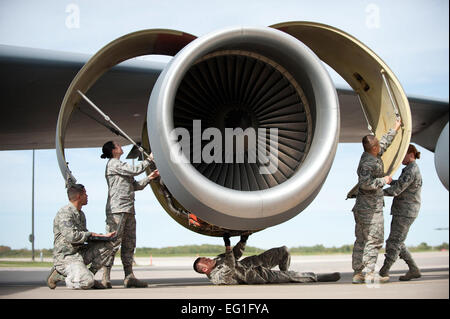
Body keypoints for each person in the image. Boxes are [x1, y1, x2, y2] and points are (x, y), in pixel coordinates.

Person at [100, 141, 160, 288]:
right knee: (113, 243)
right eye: (118, 145)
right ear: (113, 151)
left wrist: (150, 178)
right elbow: (135, 170)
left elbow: (135, 186)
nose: (121, 147)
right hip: (117, 209)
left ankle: (129, 276)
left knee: (129, 243)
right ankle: (105, 277)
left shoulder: (121, 167)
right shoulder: (113, 164)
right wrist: (150, 159)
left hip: (128, 209)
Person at [351, 118, 402, 284]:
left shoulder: (372, 154)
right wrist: (384, 181)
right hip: (370, 210)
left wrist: (395, 127)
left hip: (363, 209)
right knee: (375, 239)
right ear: (373, 148)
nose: (380, 146)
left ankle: (358, 274)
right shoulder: (367, 163)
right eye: (378, 145)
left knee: (361, 240)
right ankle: (370, 273)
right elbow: (365, 184)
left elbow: (384, 143)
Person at [193, 234, 340, 285]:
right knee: (288, 276)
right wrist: (227, 247)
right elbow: (230, 266)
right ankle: (315, 277)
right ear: (205, 269)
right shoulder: (216, 278)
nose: (207, 258)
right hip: (254, 275)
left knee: (283, 251)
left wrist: (243, 240)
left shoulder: (217, 259)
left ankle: (285, 275)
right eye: (204, 261)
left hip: (252, 263)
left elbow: (236, 255)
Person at [47, 184, 116, 289]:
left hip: (79, 253)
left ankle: (90, 276)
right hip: (66, 257)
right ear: (79, 196)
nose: (87, 196)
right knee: (86, 283)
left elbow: (85, 235)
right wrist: (91, 234)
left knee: (108, 245)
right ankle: (60, 275)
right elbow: (72, 237)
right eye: (85, 194)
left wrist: (103, 237)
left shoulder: (81, 214)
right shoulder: (65, 213)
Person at [379, 144, 423, 281]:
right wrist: (392, 182)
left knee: (394, 242)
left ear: (411, 154)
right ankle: (414, 270)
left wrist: (376, 192)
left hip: (405, 211)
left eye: (403, 155)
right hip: (404, 211)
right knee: (399, 242)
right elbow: (402, 184)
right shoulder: (411, 169)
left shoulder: (411, 170)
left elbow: (396, 191)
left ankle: (384, 271)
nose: (400, 158)